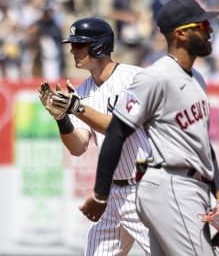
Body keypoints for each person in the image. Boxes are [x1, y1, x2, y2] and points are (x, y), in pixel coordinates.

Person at [80, 0, 219, 256]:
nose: (210, 32)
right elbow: (117, 132)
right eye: (203, 26)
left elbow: (202, 144)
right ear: (181, 34)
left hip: (190, 185)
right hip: (167, 184)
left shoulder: (196, 78)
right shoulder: (153, 78)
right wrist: (100, 195)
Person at [38, 17, 151, 256]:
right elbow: (78, 146)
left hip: (147, 190)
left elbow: (119, 128)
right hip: (113, 194)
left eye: (79, 44)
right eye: (72, 44)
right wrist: (62, 119)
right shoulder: (82, 91)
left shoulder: (135, 78)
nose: (72, 50)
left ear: (99, 46)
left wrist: (77, 109)